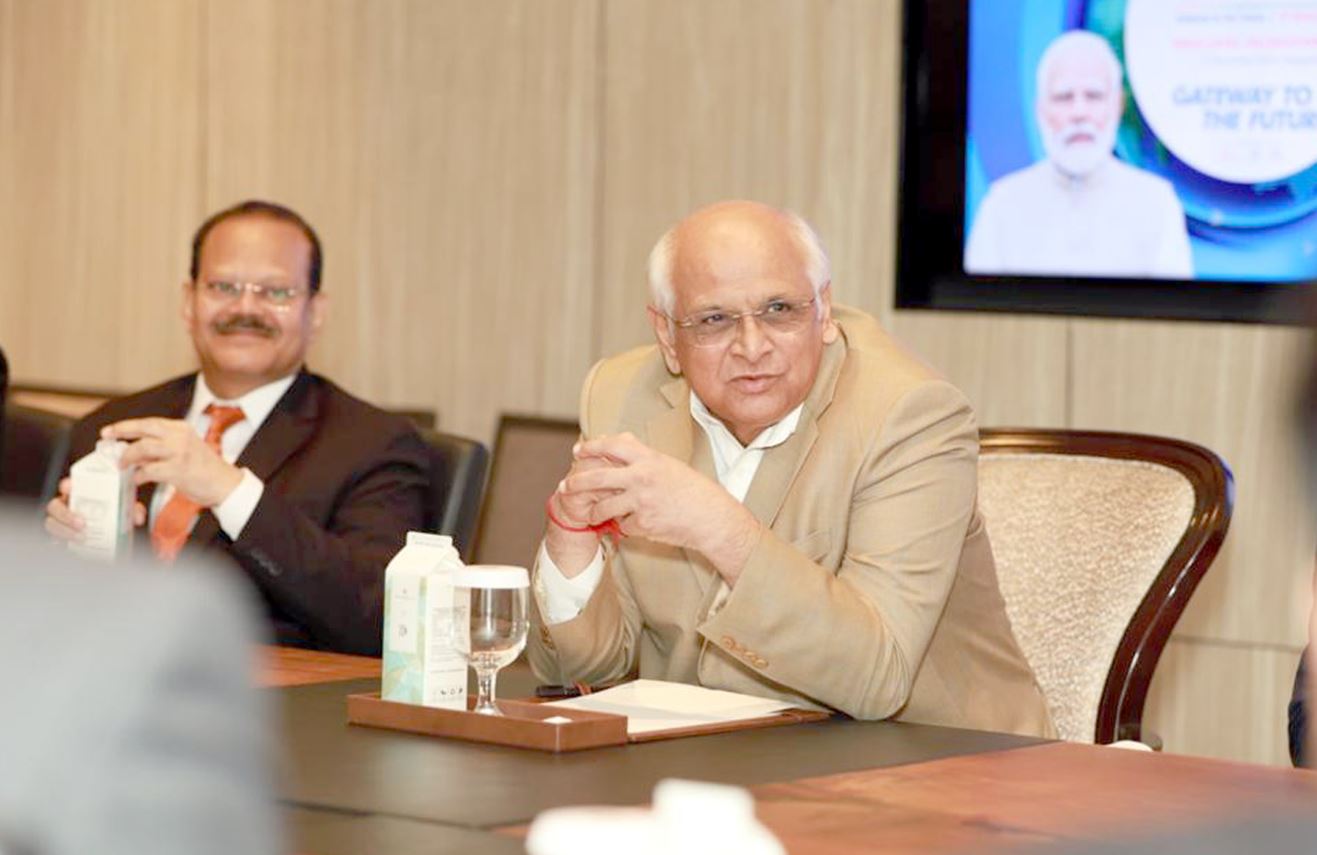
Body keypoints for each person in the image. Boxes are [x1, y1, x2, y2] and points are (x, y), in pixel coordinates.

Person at [527, 200, 1055, 736]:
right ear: (667, 336)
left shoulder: (910, 415)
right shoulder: (620, 396)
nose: (752, 347)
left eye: (779, 310)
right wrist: (570, 542)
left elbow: (879, 677)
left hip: (937, 758)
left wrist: (716, 526)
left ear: (824, 311)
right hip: (717, 758)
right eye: (715, 320)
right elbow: (583, 672)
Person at [43, 200, 429, 655]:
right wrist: (71, 550)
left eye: (276, 292)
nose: (246, 308)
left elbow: (382, 618)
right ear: (189, 302)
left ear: (316, 312)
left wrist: (230, 492)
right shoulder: (111, 426)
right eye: (223, 286)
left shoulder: (373, 445)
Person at [0, 513, 280, 855]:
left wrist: (232, 497)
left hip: (263, 716)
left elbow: (343, 604)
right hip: (75, 728)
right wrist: (78, 547)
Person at [965, 30, 1193, 279]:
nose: (1079, 113)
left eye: (1094, 96)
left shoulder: (1157, 204)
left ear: (1117, 106)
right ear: (1041, 110)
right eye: (1064, 97)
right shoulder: (1001, 205)